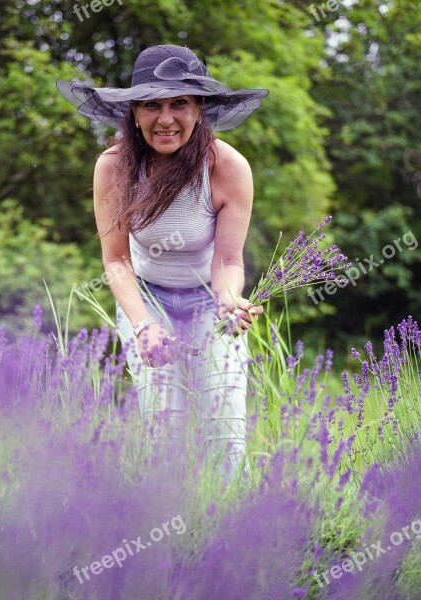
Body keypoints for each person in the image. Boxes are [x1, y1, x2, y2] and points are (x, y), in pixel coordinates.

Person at [57, 44, 268, 483]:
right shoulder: (113, 166)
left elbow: (229, 259)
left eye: (180, 104)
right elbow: (116, 261)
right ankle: (170, 534)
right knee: (164, 434)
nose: (166, 118)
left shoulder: (228, 167)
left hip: (209, 301)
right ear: (134, 112)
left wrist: (230, 302)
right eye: (152, 104)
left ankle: (233, 531)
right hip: (145, 300)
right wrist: (143, 325)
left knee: (225, 435)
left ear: (200, 109)